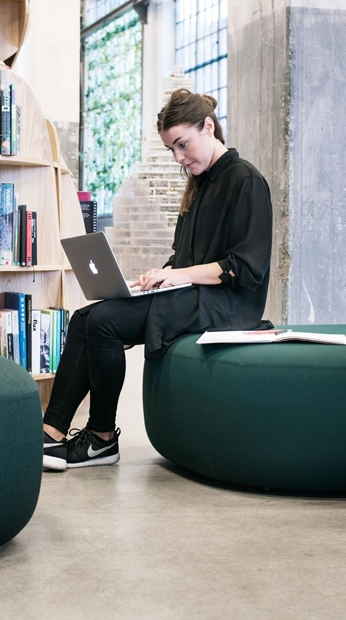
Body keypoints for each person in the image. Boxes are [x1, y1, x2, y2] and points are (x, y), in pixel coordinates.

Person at [43, 89, 273, 471]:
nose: (178, 157)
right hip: (194, 294)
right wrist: (155, 277)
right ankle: (50, 433)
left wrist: (177, 275)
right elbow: (184, 260)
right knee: (84, 318)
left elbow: (246, 269)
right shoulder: (199, 185)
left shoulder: (246, 180)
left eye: (182, 144)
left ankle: (101, 438)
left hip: (229, 305)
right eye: (171, 149)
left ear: (208, 127)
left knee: (105, 322)